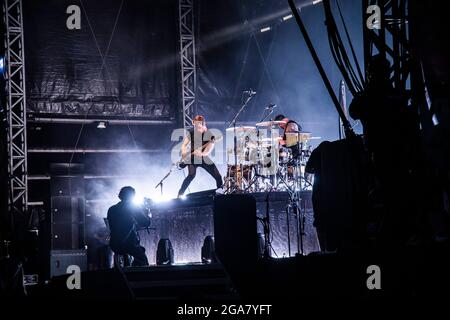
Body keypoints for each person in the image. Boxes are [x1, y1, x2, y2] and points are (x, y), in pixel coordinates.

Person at [177, 115, 223, 197]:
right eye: (195, 123)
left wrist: (202, 154)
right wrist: (184, 156)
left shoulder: (208, 134)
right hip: (192, 158)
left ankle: (220, 192)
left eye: (199, 124)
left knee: (218, 176)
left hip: (203, 157)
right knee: (191, 175)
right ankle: (180, 195)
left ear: (203, 124)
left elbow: (209, 148)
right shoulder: (191, 132)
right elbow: (184, 145)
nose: (197, 125)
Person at [107, 186, 151, 266]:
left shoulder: (112, 209)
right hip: (128, 243)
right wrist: (148, 214)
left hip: (114, 243)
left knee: (138, 252)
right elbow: (145, 223)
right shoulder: (133, 207)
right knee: (142, 260)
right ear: (132, 196)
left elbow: (118, 225)